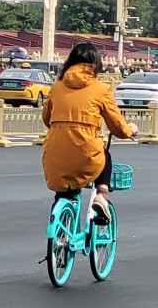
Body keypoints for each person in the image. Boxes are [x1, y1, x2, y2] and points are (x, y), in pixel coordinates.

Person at [41, 42, 136, 223]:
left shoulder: (57, 86)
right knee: (104, 156)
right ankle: (101, 196)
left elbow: (47, 119)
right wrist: (130, 129)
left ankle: (58, 235)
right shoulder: (101, 89)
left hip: (54, 152)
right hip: (86, 151)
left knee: (62, 193)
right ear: (97, 65)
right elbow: (117, 126)